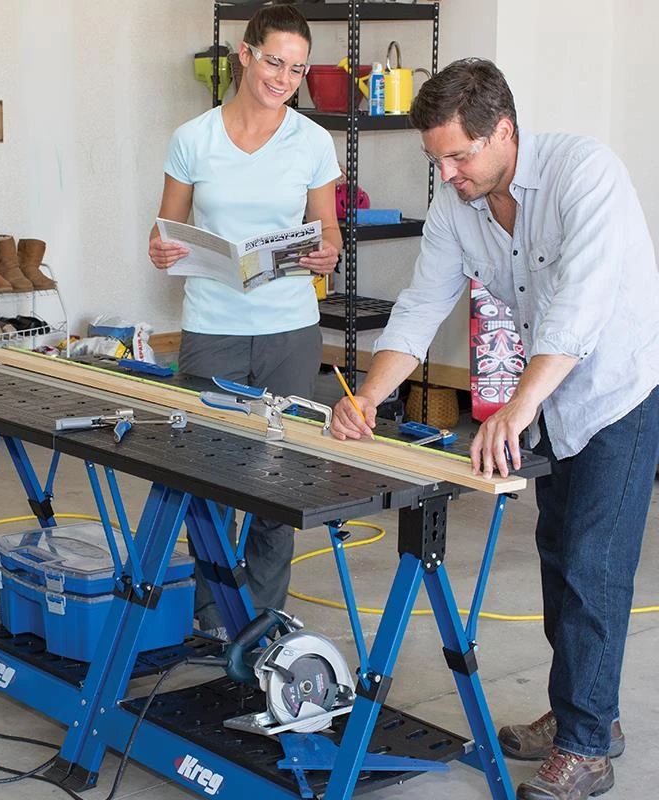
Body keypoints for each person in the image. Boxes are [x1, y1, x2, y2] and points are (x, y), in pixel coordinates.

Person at [330, 58, 659, 800]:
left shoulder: (585, 174)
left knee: (594, 566)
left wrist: (517, 404)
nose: (447, 174)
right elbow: (422, 304)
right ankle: (586, 713)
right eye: (437, 160)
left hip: (617, 392)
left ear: (503, 131)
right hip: (551, 395)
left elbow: (580, 308)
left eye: (458, 156)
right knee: (557, 557)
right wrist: (370, 398)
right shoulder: (459, 204)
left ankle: (586, 746)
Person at [149, 5, 342, 639]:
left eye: (297, 69)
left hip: (290, 327)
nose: (284, 78)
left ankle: (262, 620)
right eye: (274, 62)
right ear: (245, 53)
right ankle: (213, 617)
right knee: (210, 472)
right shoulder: (193, 138)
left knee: (277, 475)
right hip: (213, 326)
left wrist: (327, 250)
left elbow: (328, 230)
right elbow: (166, 228)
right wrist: (161, 249)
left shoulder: (312, 141)